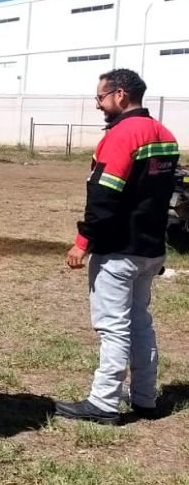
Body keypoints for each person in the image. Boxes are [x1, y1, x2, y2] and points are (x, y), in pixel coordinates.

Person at [56, 69, 179, 424]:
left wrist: (83, 242)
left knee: (113, 326)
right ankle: (145, 398)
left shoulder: (123, 135)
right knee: (140, 322)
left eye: (100, 98)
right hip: (151, 247)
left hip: (118, 249)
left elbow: (103, 196)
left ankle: (104, 402)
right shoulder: (166, 135)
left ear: (120, 95)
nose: (98, 106)